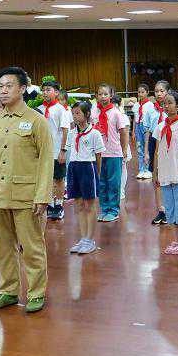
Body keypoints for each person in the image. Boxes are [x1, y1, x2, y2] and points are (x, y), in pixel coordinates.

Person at [0, 67, 55, 313]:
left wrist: (43, 196)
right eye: (0, 86)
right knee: (2, 248)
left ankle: (36, 293)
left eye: (9, 85)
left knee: (32, 248)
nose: (3, 90)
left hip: (27, 196)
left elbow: (46, 160)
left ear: (22, 89)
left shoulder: (36, 121)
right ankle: (8, 291)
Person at [154, 91, 178, 255]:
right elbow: (157, 152)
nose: (167, 106)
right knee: (169, 209)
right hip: (165, 174)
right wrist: (155, 173)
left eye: (170, 103)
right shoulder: (160, 127)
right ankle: (175, 240)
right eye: (165, 103)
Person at [67, 100, 105, 255]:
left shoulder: (94, 133)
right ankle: (83, 238)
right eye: (73, 114)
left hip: (88, 168)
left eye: (78, 113)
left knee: (89, 204)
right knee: (78, 204)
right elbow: (70, 152)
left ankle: (90, 239)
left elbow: (99, 155)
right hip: (74, 167)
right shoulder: (72, 133)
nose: (75, 116)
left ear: (87, 114)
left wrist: (97, 173)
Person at [91, 83, 130, 222]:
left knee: (113, 183)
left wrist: (124, 149)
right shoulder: (94, 112)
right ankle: (104, 208)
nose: (103, 97)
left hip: (113, 153)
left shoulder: (116, 113)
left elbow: (123, 132)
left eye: (105, 94)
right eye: (100, 94)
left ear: (111, 95)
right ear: (96, 96)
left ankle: (113, 210)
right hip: (99, 154)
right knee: (102, 182)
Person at [37, 80, 70, 221]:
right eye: (43, 90)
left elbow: (65, 130)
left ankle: (59, 205)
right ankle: (50, 203)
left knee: (59, 178)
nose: (45, 93)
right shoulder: (39, 109)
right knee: (47, 178)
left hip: (57, 151)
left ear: (56, 92)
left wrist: (63, 150)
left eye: (48, 90)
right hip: (43, 151)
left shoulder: (61, 109)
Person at [143, 81, 170, 223]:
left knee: (170, 177)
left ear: (167, 92)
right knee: (157, 177)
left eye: (162, 91)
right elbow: (147, 131)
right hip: (154, 143)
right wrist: (146, 151)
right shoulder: (150, 110)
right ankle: (161, 210)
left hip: (168, 142)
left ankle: (170, 209)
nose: (158, 94)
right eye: (156, 91)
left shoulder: (171, 109)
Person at [132, 84, 155, 180]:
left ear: (147, 93)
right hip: (138, 126)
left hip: (146, 127)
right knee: (139, 148)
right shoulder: (136, 105)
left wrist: (150, 130)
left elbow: (151, 120)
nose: (140, 94)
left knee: (147, 148)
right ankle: (141, 169)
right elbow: (134, 119)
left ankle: (147, 169)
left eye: (143, 92)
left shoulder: (150, 105)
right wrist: (133, 131)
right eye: (139, 92)